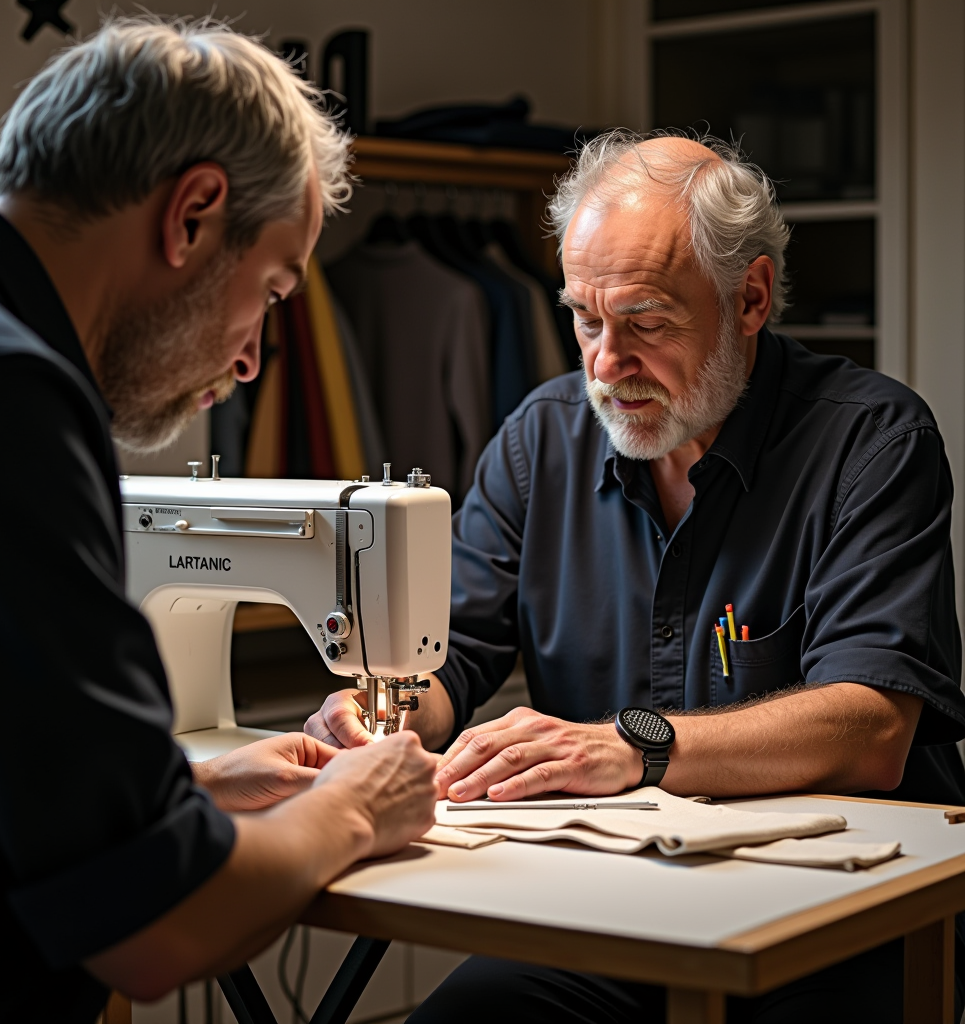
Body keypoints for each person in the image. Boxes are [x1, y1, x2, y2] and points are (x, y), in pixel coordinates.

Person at [306, 131, 965, 1022]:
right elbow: (448, 655)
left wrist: (637, 745)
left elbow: (874, 726)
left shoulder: (872, 443)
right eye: (585, 319)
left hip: (841, 918)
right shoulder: (540, 441)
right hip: (614, 908)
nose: (605, 365)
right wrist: (384, 710)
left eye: (647, 323)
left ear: (751, 298)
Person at [0, 19, 439, 1022]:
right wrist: (356, 807)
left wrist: (181, 794)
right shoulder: (1, 397)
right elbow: (156, 925)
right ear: (194, 215)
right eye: (271, 290)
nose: (251, 360)